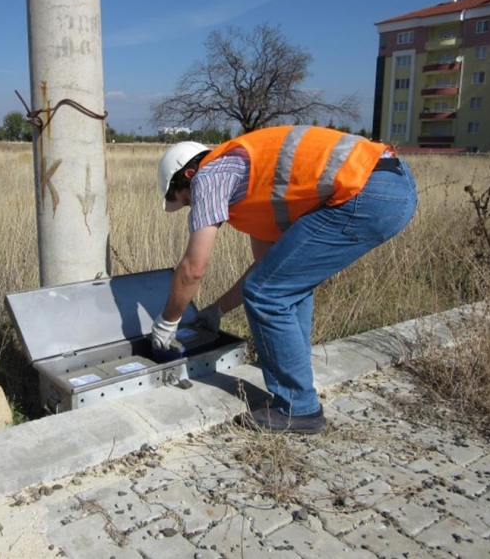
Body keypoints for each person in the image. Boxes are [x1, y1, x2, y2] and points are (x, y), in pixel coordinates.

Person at [150, 125, 418, 434]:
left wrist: (168, 322)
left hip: (369, 191)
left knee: (268, 293)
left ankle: (298, 408)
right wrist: (216, 310)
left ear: (188, 176)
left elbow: (193, 268)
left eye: (185, 200)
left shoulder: (210, 176)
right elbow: (268, 269)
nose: (192, 206)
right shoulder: (253, 187)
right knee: (284, 286)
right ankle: (296, 376)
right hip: (394, 185)